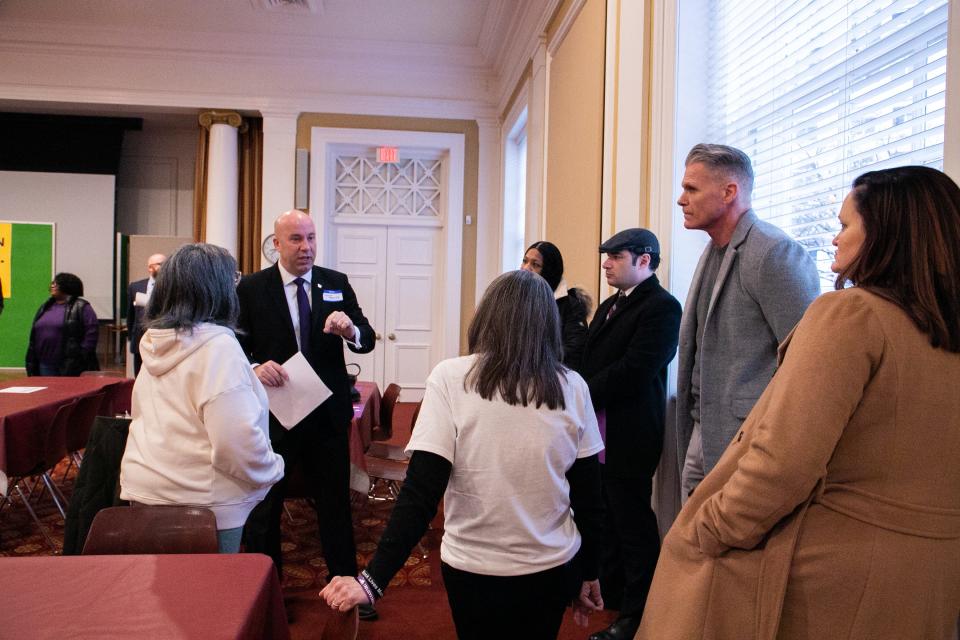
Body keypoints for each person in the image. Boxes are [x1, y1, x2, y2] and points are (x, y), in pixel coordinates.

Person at [638, 166, 960, 639]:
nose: (833, 240)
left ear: (888, 233)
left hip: (833, 578)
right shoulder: (943, 335)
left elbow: (783, 462)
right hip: (931, 578)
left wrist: (706, 526)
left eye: (846, 225)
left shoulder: (850, 315)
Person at [319, 269, 605, 638]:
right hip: (550, 565)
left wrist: (373, 581)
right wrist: (590, 572)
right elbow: (591, 498)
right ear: (548, 326)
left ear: (487, 317)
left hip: (474, 567)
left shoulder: (452, 378)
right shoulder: (572, 386)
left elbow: (421, 493)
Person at [236, 210, 377, 618]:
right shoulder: (252, 288)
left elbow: (366, 338)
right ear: (276, 244)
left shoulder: (334, 283)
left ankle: (348, 590)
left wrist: (350, 330)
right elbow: (235, 345)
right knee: (267, 509)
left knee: (334, 506)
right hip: (276, 414)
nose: (307, 247)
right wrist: (254, 366)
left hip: (326, 415)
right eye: (296, 239)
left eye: (312, 238)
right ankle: (268, 597)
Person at [119, 243, 284, 553]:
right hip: (205, 502)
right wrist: (273, 468)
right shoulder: (217, 347)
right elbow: (235, 440)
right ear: (215, 289)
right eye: (233, 278)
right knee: (208, 595)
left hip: (147, 489)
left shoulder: (156, 340)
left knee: (164, 594)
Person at [675, 143, 819, 498]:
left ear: (729, 192)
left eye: (691, 188)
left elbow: (807, 361)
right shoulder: (712, 249)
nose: (681, 199)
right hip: (702, 429)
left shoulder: (774, 252)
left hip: (746, 439)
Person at [578, 228, 681, 640]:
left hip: (630, 433)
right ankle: (614, 599)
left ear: (644, 260)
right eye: (606, 256)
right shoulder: (610, 305)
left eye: (615, 256)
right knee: (605, 521)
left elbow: (636, 371)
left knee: (633, 527)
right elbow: (588, 358)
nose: (606, 263)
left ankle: (639, 616)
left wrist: (581, 391)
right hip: (597, 430)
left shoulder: (662, 307)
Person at [520, 240, 592, 371]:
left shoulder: (571, 306)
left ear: (549, 271)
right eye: (525, 261)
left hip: (554, 378)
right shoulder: (516, 300)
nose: (526, 268)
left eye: (535, 265)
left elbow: (573, 351)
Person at [25, 272, 99, 376]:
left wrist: (80, 355)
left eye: (57, 283)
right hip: (44, 364)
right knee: (47, 391)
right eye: (53, 283)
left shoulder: (81, 307)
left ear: (68, 286)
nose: (52, 285)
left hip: (70, 365)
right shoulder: (45, 307)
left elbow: (91, 333)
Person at [126, 253, 166, 376]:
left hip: (162, 338)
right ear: (150, 268)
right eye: (161, 264)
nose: (165, 267)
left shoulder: (172, 287)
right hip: (139, 337)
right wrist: (130, 336)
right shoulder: (135, 286)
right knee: (139, 375)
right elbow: (130, 314)